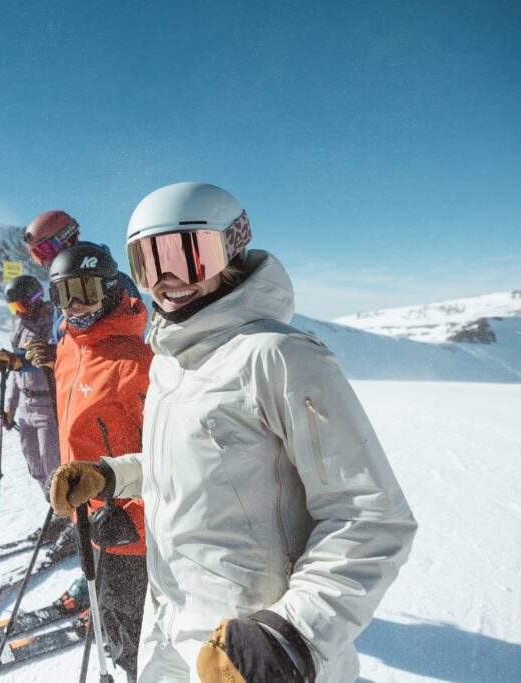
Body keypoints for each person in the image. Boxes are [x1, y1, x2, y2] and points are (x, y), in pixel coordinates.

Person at [48, 182, 417, 682]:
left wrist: (289, 635)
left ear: (233, 250)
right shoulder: (169, 365)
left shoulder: (279, 357)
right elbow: (186, 466)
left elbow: (370, 517)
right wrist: (111, 476)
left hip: (256, 657)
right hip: (171, 638)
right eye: (149, 262)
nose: (167, 279)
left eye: (187, 256)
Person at [47, 243, 152, 682]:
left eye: (86, 291)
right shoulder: (69, 348)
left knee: (136, 633)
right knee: (108, 610)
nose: (75, 306)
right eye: (62, 294)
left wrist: (136, 518)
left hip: (132, 532)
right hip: (87, 513)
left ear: (110, 290)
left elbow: (171, 457)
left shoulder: (139, 364)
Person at [0, 275, 61, 489]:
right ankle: (53, 511)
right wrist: (10, 409)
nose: (19, 311)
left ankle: (65, 514)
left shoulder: (52, 324)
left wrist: (16, 359)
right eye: (13, 307)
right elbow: (17, 377)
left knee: (52, 465)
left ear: (37, 299)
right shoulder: (19, 330)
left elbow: (44, 359)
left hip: (47, 405)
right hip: (25, 408)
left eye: (22, 305)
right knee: (34, 464)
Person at [23, 210, 142, 341]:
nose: (46, 261)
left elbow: (126, 339)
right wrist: (55, 355)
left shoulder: (114, 282)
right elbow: (65, 333)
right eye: (38, 256)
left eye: (46, 250)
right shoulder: (61, 286)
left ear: (68, 238)